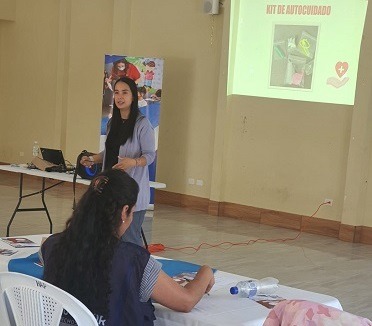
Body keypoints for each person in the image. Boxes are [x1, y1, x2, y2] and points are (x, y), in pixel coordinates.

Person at [42, 169, 215, 326]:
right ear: (124, 211)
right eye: (133, 212)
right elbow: (186, 301)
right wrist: (206, 272)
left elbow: (45, 247)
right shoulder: (134, 261)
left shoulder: (52, 245)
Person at [80, 76, 155, 246]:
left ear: (133, 96)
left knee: (129, 240)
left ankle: (138, 270)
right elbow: (110, 152)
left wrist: (133, 162)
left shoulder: (142, 124)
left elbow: (150, 155)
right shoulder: (112, 122)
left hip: (130, 191)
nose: (120, 97)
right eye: (116, 93)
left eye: (125, 93)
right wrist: (92, 159)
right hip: (109, 189)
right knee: (106, 237)